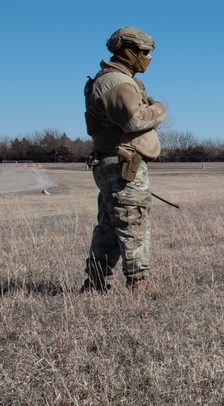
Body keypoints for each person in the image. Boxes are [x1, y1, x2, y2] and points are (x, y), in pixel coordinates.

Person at [81, 27, 167, 293]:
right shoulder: (116, 81)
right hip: (122, 163)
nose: (149, 57)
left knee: (110, 224)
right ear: (127, 51)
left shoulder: (115, 79)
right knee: (133, 220)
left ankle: (95, 282)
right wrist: (159, 109)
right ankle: (139, 283)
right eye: (144, 52)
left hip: (115, 161)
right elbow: (133, 119)